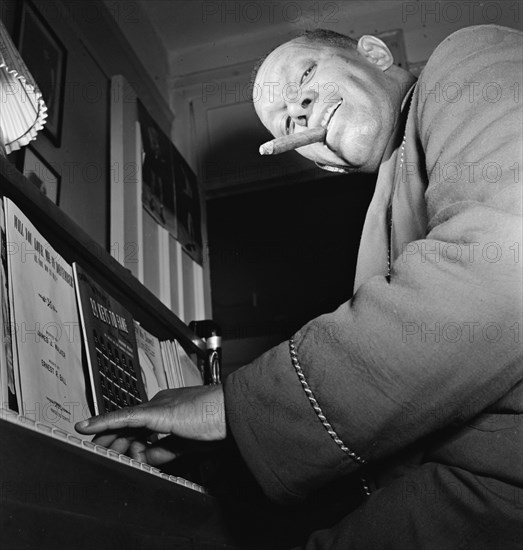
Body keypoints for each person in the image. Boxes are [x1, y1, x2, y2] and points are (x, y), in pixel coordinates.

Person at [76, 24, 523, 549]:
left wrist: (235, 409)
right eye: (287, 121)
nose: (301, 107)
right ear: (325, 160)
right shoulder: (387, 209)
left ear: (375, 53)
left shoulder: (467, 60)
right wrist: (228, 456)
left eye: (307, 75)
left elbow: (502, 267)